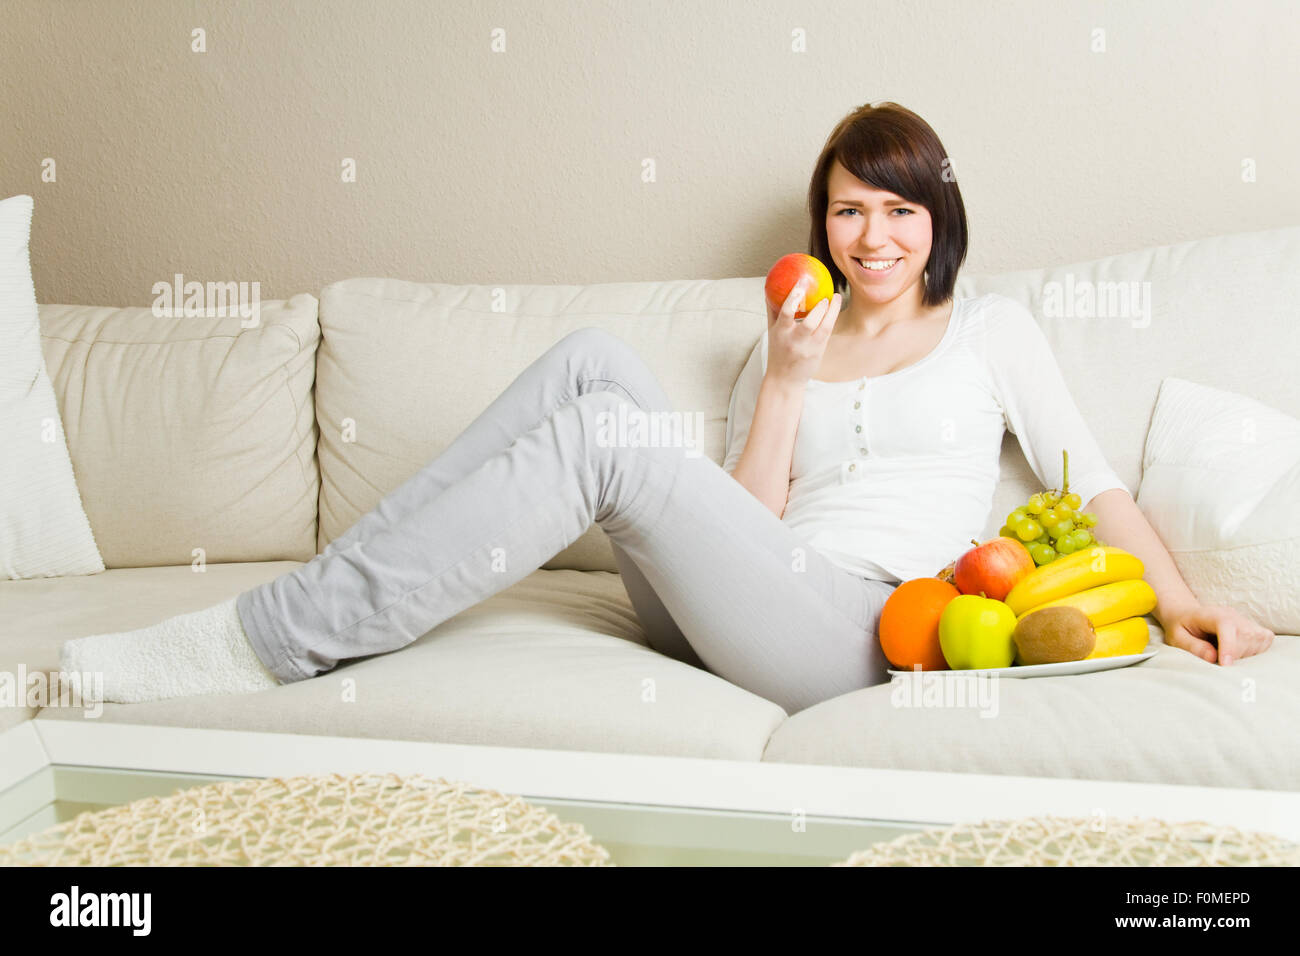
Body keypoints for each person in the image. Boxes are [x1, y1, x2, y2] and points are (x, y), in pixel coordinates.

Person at [60, 102, 1274, 715]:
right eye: (851, 210)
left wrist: (1179, 606)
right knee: (595, 361)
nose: (875, 234)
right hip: (748, 602)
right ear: (824, 227)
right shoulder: (787, 337)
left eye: (901, 209)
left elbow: (1097, 482)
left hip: (862, 630)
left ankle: (267, 636)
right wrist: (787, 379)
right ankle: (344, 588)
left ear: (936, 222)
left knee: (602, 437)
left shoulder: (994, 331)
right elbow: (745, 523)